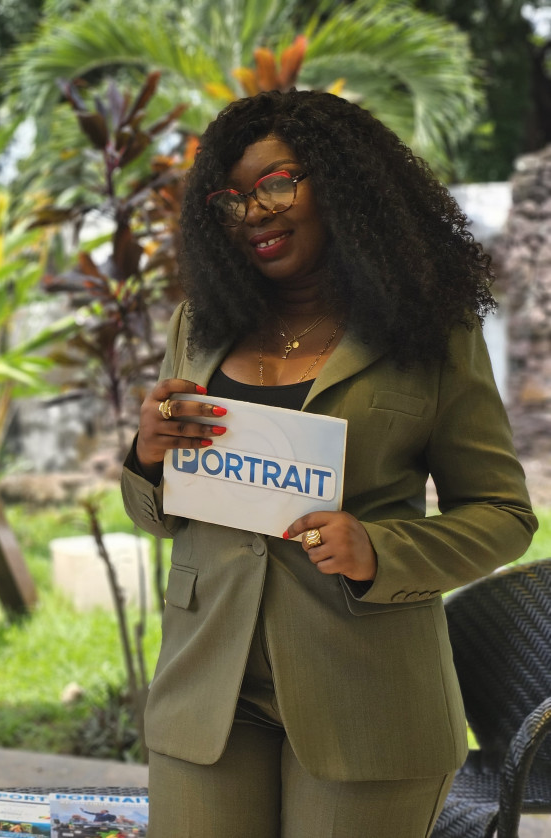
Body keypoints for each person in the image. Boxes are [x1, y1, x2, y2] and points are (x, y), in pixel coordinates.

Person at [122, 89, 537, 837]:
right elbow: (157, 513)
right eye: (232, 199)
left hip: (367, 698)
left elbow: (503, 517)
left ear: (344, 183)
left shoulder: (428, 330)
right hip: (207, 688)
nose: (255, 212)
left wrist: (378, 549)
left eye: (277, 183)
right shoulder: (199, 323)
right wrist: (147, 458)